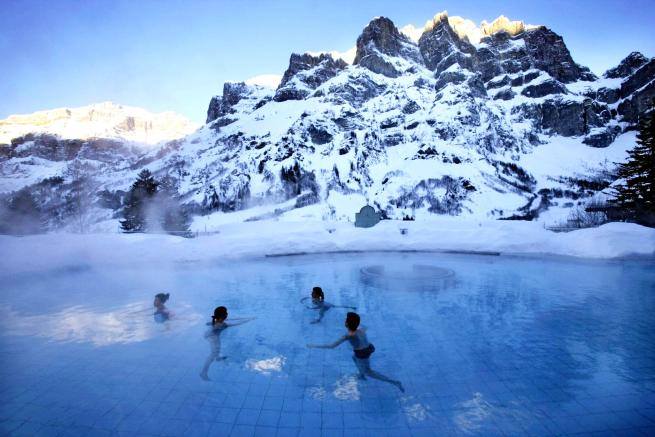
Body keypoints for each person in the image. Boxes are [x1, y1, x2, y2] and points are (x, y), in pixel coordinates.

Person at [307, 312, 404, 392]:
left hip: (362, 354)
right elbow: (366, 326)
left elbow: (332, 346)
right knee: (354, 357)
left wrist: (314, 346)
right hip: (368, 348)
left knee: (369, 372)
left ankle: (394, 382)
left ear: (347, 324)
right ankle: (361, 375)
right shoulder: (361, 329)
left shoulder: (348, 335)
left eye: (346, 320)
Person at [200, 306, 255, 381]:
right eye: (226, 313)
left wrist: (248, 317)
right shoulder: (221, 324)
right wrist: (248, 320)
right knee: (213, 353)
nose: (227, 314)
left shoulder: (216, 319)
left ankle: (217, 358)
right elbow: (236, 323)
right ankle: (203, 373)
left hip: (210, 335)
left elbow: (232, 320)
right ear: (222, 315)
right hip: (212, 337)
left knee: (217, 350)